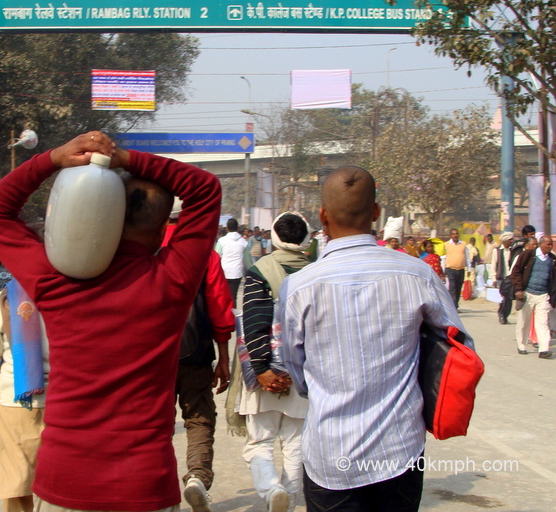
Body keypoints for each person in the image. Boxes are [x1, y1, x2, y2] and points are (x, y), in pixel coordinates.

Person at [0, 131, 222, 512]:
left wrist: (53, 158)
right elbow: (205, 190)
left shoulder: (55, 282)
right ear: (161, 231)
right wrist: (126, 158)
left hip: (65, 479)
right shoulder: (172, 283)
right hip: (144, 484)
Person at [279, 166, 471, 512]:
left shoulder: (299, 287)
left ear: (322, 216)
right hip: (401, 449)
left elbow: (296, 369)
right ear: (376, 213)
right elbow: (461, 348)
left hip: (330, 452)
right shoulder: (417, 274)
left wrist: (321, 390)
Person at [163, 207, 234, 512]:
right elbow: (220, 310)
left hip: (153, 359)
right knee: (199, 418)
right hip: (197, 353)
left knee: (156, 425)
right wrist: (224, 359)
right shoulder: (205, 254)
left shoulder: (143, 249)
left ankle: (159, 489)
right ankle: (196, 477)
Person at [241, 212, 311, 512]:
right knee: (296, 446)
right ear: (306, 238)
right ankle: (290, 502)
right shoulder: (316, 272)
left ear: (274, 236)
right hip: (302, 373)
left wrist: (262, 370)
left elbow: (254, 322)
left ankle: (271, 491)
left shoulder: (260, 271)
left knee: (260, 442)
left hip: (265, 373)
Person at [0, 286, 50, 512]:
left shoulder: (6, 298)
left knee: (19, 488)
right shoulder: (75, 291)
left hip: (15, 401)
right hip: (65, 399)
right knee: (60, 488)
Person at [511, 235, 555, 358]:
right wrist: (519, 289)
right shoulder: (528, 255)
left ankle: (543, 349)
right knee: (524, 321)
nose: (550, 247)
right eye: (548, 244)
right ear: (541, 244)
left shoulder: (551, 260)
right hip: (527, 293)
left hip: (543, 295)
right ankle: (522, 345)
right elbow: (516, 271)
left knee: (543, 322)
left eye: (551, 245)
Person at [216, 218, 252, 305]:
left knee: (223, 296)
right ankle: (233, 316)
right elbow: (247, 262)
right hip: (237, 273)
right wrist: (250, 274)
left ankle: (224, 316)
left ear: (227, 228)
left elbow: (216, 257)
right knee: (233, 297)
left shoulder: (221, 241)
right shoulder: (243, 242)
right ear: (237, 228)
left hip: (223, 272)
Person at [489, 232, 515, 324]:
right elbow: (493, 265)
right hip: (501, 278)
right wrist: (494, 278)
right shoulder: (497, 250)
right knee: (503, 298)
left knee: (509, 299)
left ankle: (505, 315)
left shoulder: (513, 250)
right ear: (505, 240)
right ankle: (501, 315)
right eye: (510, 240)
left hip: (510, 278)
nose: (512, 241)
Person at [444, 228, 468, 309]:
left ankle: (456, 305)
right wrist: (443, 269)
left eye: (456, 233)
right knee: (452, 288)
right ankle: (453, 306)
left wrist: (469, 269)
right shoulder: (446, 245)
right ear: (450, 235)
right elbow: (444, 257)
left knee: (458, 288)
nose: (455, 235)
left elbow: (467, 257)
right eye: (453, 234)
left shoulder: (463, 244)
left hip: (461, 269)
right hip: (450, 269)